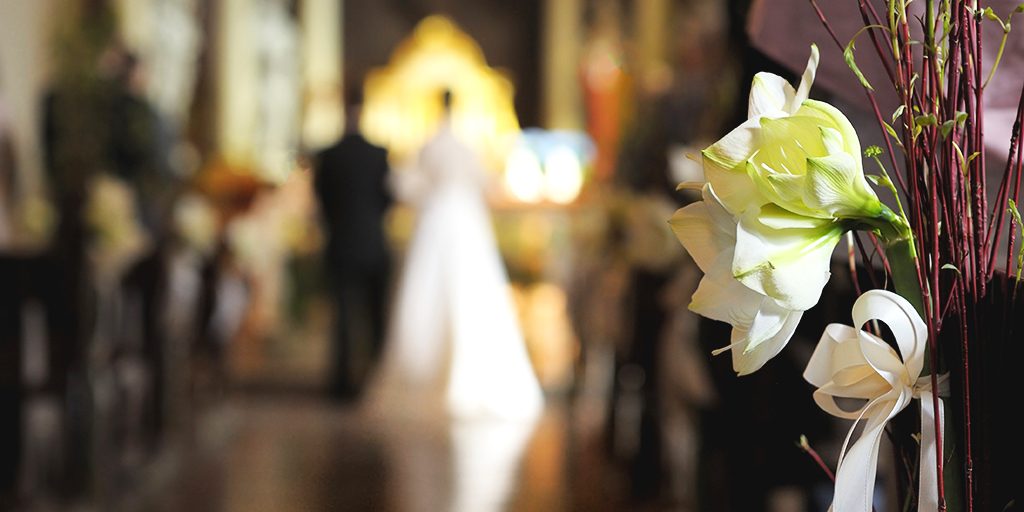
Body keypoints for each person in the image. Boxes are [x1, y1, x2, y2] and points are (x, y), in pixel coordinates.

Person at [369, 91, 542, 421]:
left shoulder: (429, 143)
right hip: (464, 220)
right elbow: (488, 179)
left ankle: (424, 377)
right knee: (472, 295)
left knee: (429, 295)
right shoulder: (467, 144)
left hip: (436, 220)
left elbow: (406, 183)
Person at [313, 89, 393, 400]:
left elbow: (322, 201)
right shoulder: (378, 154)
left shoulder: (329, 155)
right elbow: (387, 199)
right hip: (373, 244)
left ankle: (342, 385)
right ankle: (374, 380)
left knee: (343, 319)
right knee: (374, 319)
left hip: (341, 243)